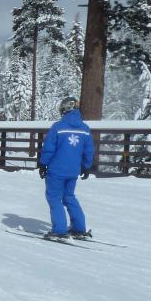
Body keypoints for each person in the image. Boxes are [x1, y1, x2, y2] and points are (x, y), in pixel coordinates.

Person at [38, 96, 95, 239]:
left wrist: (43, 164)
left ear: (64, 109)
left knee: (54, 198)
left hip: (57, 170)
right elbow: (89, 150)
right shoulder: (85, 128)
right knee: (69, 196)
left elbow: (49, 148)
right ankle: (79, 228)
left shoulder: (58, 127)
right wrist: (86, 166)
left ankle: (59, 229)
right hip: (73, 171)